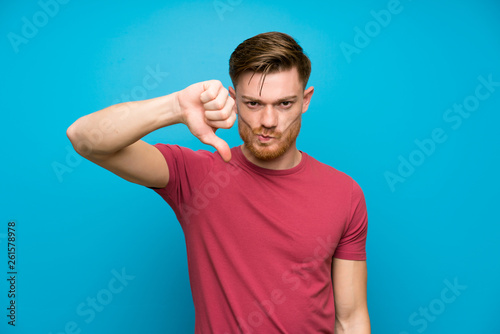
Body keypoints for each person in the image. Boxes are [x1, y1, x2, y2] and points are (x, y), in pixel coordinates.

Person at [67, 31, 370, 334]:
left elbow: (351, 318)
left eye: (284, 104)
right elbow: (84, 138)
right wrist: (175, 107)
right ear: (233, 99)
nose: (268, 120)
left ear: (305, 100)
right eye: (253, 103)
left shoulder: (345, 193)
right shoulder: (197, 176)